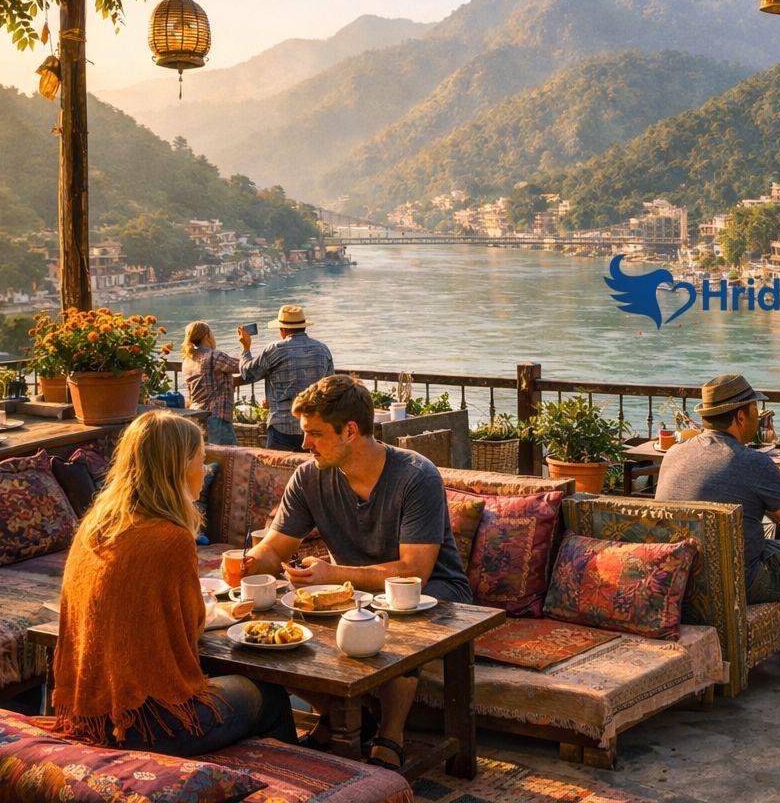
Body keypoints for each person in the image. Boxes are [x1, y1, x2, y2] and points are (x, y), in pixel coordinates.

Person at [244, 374, 472, 770]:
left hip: (435, 593)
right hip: (353, 596)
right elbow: (276, 548)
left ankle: (390, 735)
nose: (304, 444)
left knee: (395, 609)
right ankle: (341, 716)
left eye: (314, 433)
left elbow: (414, 571)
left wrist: (333, 576)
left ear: (350, 431)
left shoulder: (416, 476)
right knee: (273, 621)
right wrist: (248, 565)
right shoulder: (309, 476)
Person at [52, 411, 295, 754]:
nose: (203, 470)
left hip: (91, 709)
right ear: (179, 468)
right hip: (148, 722)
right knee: (270, 694)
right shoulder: (171, 539)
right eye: (200, 461)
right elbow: (188, 629)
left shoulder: (94, 526)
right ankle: (297, 783)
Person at [655, 374, 780, 671]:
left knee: (768, 534)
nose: (759, 417)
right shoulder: (753, 462)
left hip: (682, 578)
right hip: (743, 580)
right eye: (755, 409)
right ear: (739, 416)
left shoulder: (674, 454)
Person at [237, 304, 334, 451]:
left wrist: (246, 349)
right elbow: (330, 387)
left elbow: (248, 373)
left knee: (277, 471)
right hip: (314, 426)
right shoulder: (323, 349)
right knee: (312, 472)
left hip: (281, 426)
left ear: (282, 330)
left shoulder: (275, 349)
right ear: (304, 327)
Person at [181, 321, 240, 446]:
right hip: (217, 418)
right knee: (225, 460)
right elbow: (243, 366)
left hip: (196, 417)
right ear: (207, 336)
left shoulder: (187, 361)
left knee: (205, 459)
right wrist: (246, 347)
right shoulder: (214, 356)